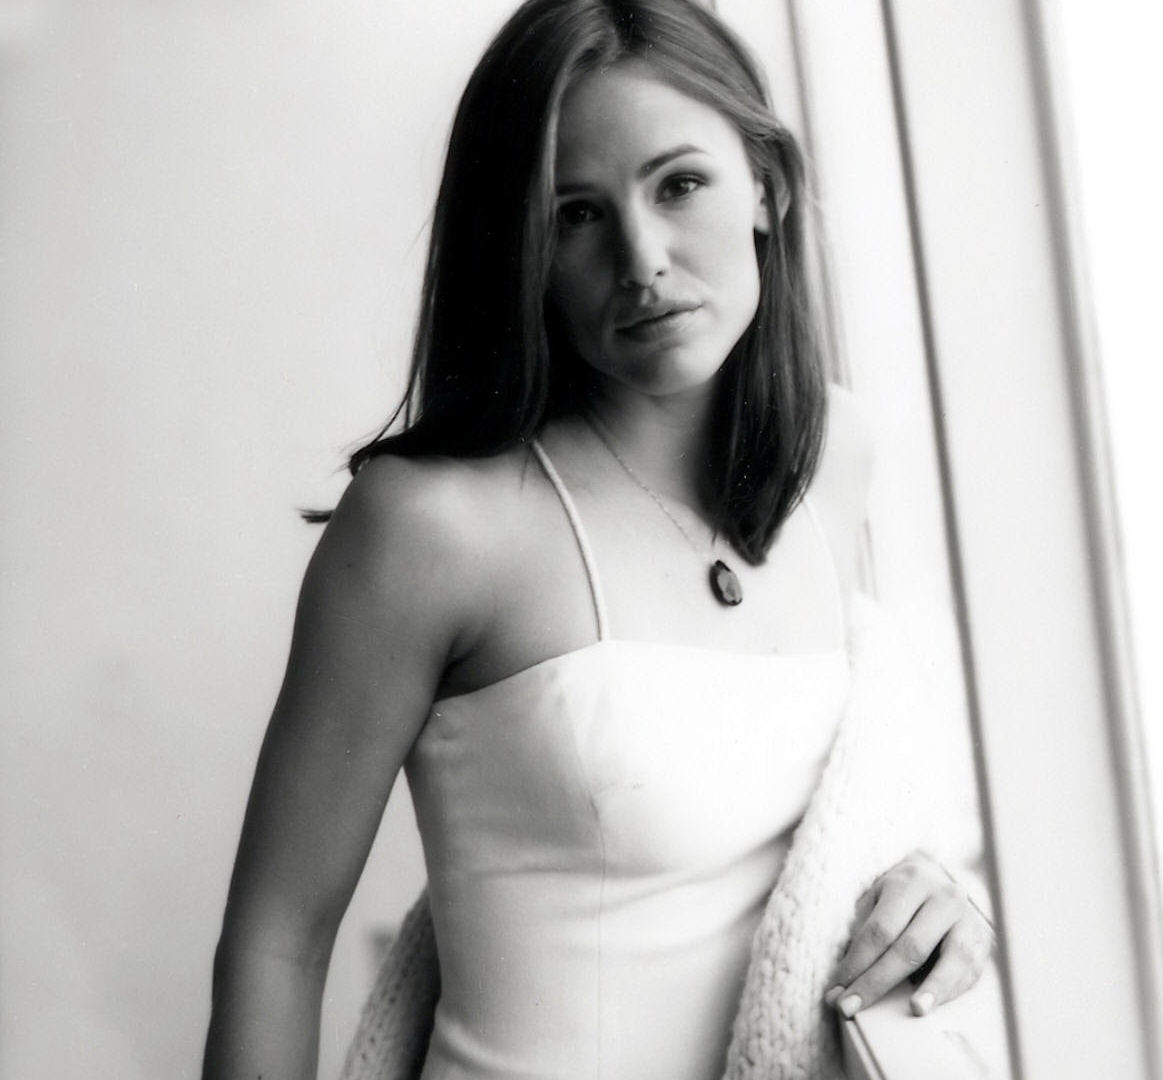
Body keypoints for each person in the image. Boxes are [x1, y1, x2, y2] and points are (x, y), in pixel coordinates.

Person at [201, 1, 993, 1077]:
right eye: (575, 214)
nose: (642, 259)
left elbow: (851, 822)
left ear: (768, 187)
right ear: (522, 249)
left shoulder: (835, 458)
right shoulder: (429, 526)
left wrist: (942, 899)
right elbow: (276, 943)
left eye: (680, 184)